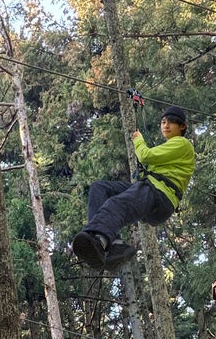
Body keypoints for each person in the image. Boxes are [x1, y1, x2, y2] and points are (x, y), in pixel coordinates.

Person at [69, 106, 195, 270]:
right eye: (163, 122)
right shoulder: (172, 148)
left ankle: (101, 239)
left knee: (117, 205)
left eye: (171, 123)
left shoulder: (182, 143)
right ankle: (112, 243)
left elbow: (146, 156)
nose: (166, 126)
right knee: (100, 188)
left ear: (182, 126)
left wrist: (137, 139)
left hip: (159, 193)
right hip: (153, 191)